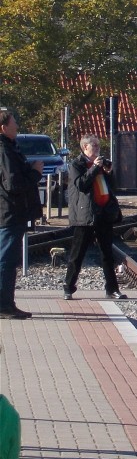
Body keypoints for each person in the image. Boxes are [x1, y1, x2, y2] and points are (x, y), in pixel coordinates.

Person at [63, 134, 126, 301]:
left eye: (99, 147)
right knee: (78, 254)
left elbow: (113, 187)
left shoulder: (100, 165)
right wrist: (94, 168)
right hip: (86, 216)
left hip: (104, 214)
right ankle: (68, 287)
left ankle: (112, 289)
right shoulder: (77, 164)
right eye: (95, 147)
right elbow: (82, 185)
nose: (98, 150)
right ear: (85, 148)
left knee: (107, 254)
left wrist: (109, 172)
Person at [0, 109, 42, 319]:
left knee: (7, 259)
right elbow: (13, 184)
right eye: (14, 123)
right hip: (9, 213)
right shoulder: (4, 150)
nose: (17, 126)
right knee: (6, 260)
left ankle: (7, 303)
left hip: (10, 212)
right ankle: (3, 305)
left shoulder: (9, 148)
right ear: (3, 127)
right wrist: (35, 173)